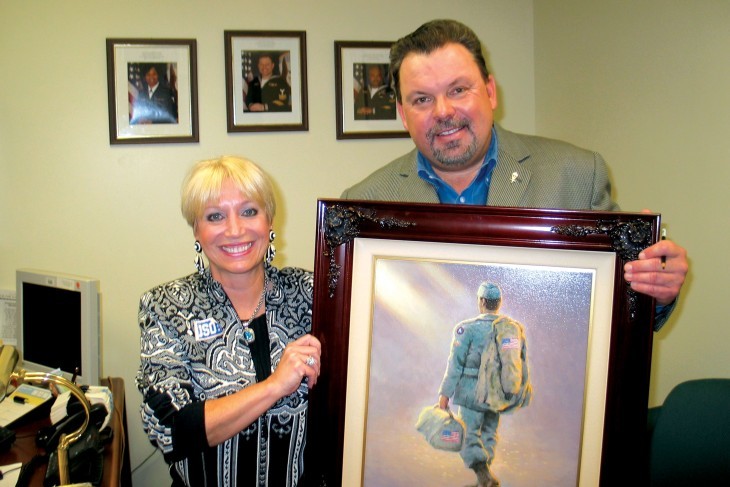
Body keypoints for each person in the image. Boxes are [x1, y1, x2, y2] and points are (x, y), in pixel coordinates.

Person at [340, 19, 688, 330]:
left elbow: (621, 309)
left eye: (458, 90)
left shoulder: (576, 176)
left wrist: (656, 291)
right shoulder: (362, 207)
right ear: (403, 113)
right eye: (421, 100)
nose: (443, 111)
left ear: (490, 91)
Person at [136, 156, 321, 486]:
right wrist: (275, 386)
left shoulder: (312, 294)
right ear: (197, 229)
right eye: (215, 216)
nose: (235, 230)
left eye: (249, 211)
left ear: (270, 220)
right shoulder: (166, 307)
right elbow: (170, 429)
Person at [438, 282, 531, 487]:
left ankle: (483, 475)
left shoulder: (467, 329)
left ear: (481, 301)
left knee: (467, 434)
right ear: (499, 303)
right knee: (489, 433)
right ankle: (485, 478)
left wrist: (445, 394)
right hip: (497, 392)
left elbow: (455, 365)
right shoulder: (511, 328)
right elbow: (516, 359)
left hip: (471, 393)